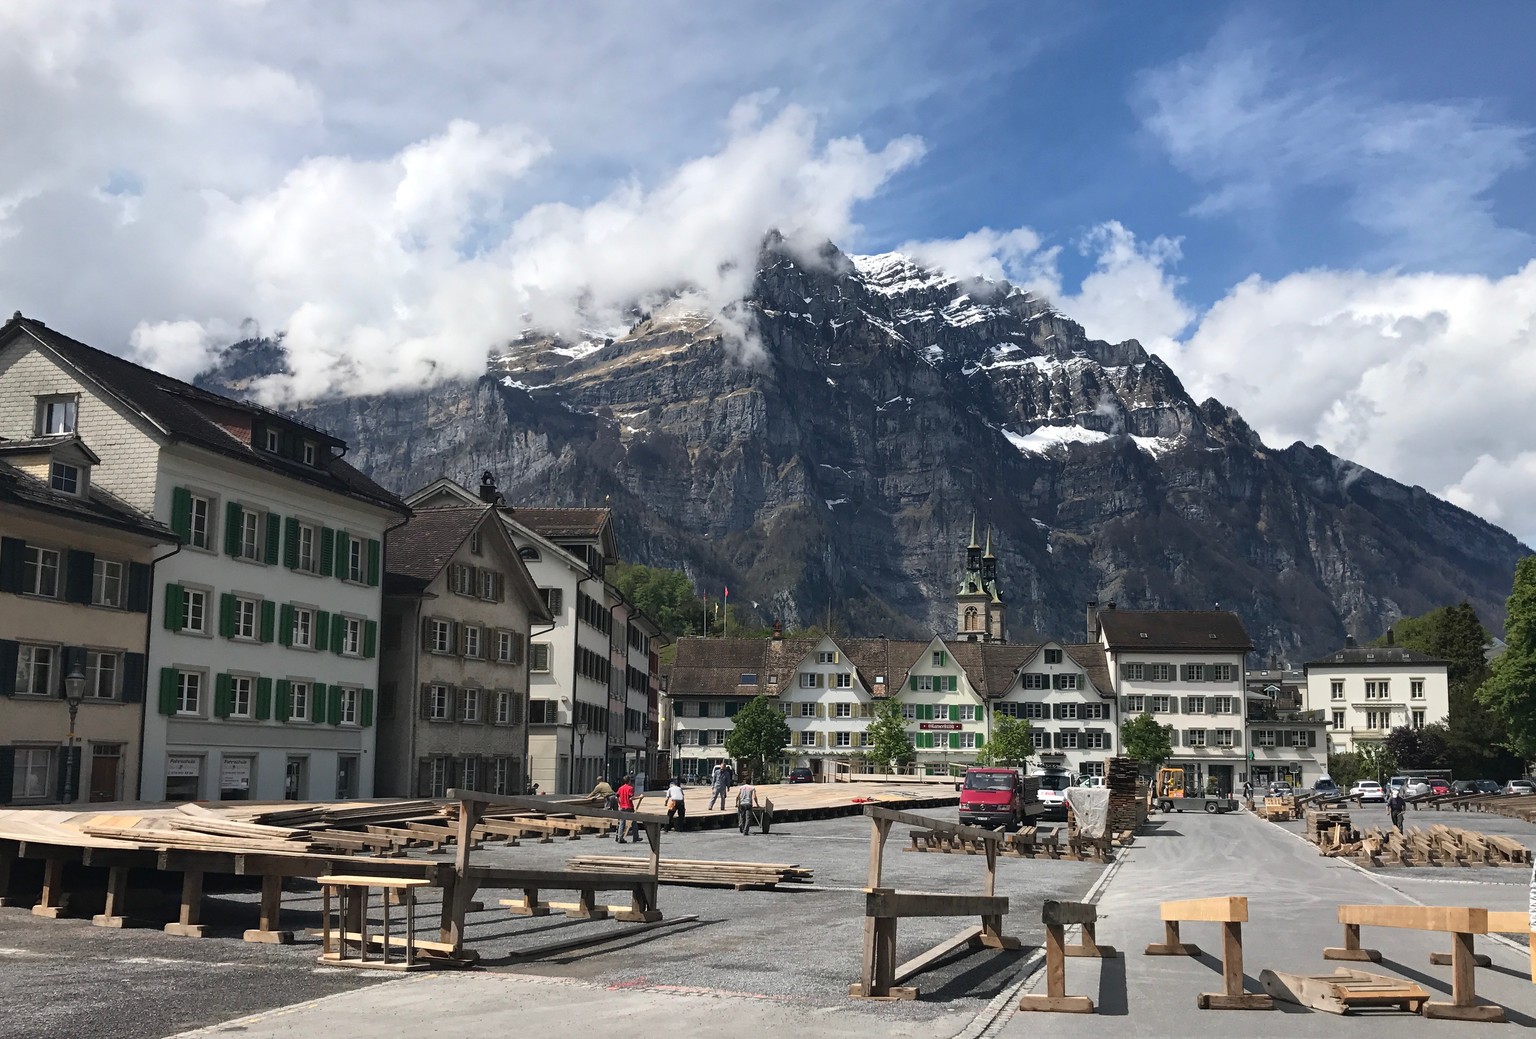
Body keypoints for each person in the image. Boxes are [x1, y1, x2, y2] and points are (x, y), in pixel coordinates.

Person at [615, 774, 640, 842]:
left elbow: (616, 796)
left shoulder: (620, 788)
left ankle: (620, 838)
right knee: (634, 822)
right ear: (629, 781)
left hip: (622, 807)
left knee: (622, 823)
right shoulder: (630, 788)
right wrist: (639, 797)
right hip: (629, 807)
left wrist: (619, 803)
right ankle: (636, 837)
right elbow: (631, 797)